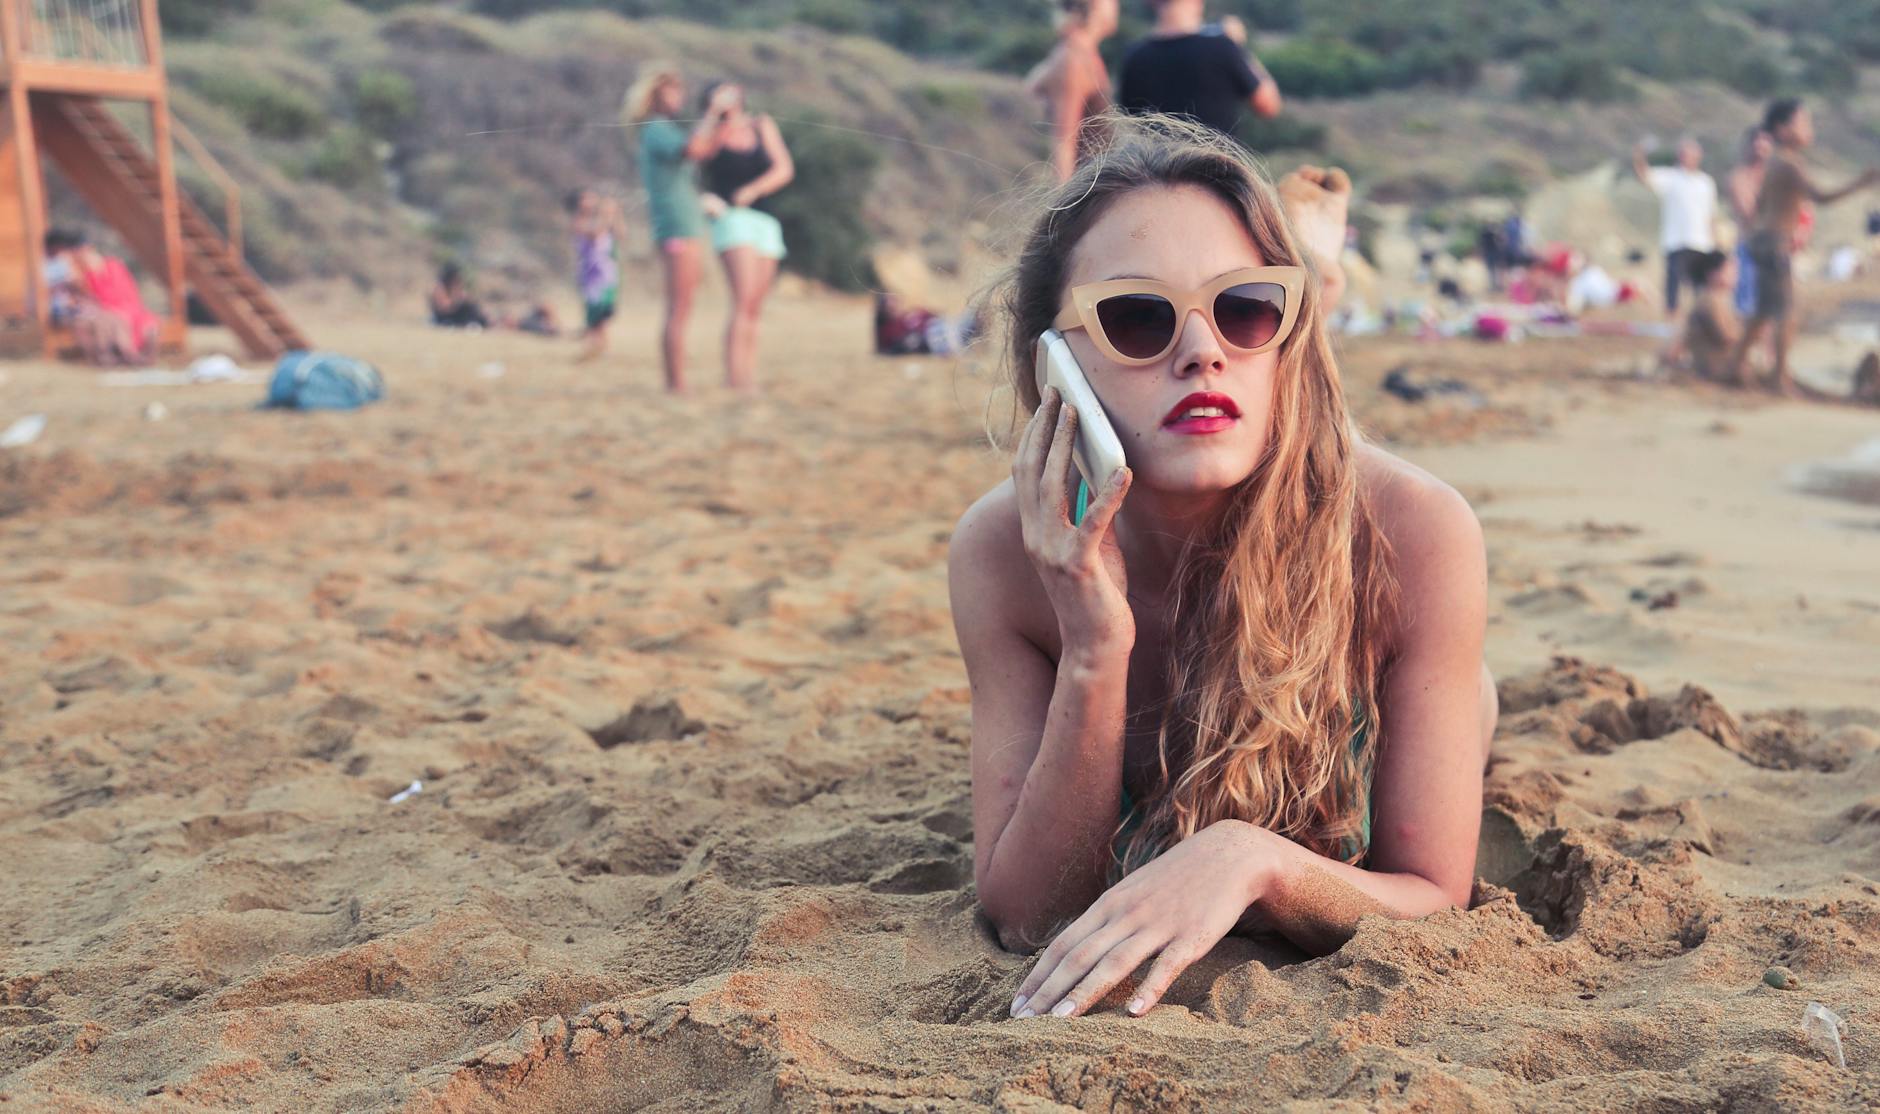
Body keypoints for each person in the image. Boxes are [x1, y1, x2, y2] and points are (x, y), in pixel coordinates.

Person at [949, 116, 1494, 1019]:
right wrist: (1093, 644)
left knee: (1466, 707)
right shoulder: (1002, 554)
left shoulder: (1415, 533)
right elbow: (1024, 914)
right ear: (1056, 365)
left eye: (1246, 307)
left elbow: (1437, 892)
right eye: (1135, 317)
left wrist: (1254, 859)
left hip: (1390, 686)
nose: (1202, 351)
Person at [1723, 99, 1880, 396]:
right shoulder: (1788, 162)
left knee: (1763, 312)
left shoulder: (1775, 162)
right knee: (1786, 312)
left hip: (1765, 240)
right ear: (1782, 129)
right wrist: (1861, 183)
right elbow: (1820, 197)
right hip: (1774, 243)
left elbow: (1760, 206)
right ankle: (1778, 376)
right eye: (1803, 123)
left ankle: (1735, 365)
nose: (1809, 129)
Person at [694, 82, 794, 393]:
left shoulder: (761, 124)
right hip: (732, 220)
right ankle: (734, 378)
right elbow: (695, 153)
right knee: (742, 300)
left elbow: (784, 169)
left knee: (755, 305)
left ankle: (747, 376)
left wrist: (753, 190)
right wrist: (713, 115)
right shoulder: (712, 133)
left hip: (765, 219)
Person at [625, 62, 709, 393]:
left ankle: (677, 380)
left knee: (682, 306)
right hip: (676, 227)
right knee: (679, 307)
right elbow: (695, 149)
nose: (680, 96)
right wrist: (714, 114)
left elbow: (699, 149)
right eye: (673, 90)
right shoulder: (657, 127)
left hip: (682, 225)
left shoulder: (661, 129)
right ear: (656, 94)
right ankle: (676, 383)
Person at [1116, 0, 1282, 145]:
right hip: (1218, 172)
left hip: (1158, 173)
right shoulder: (1222, 48)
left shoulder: (1134, 56)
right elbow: (1268, 105)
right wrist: (1239, 47)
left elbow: (1130, 119)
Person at [1024, 0, 1119, 183]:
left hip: (1094, 182)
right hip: (1082, 186)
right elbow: (1063, 144)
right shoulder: (1073, 60)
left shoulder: (1084, 53)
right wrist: (1065, 206)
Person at [1631, 137, 1718, 321]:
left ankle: (1700, 324)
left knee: (1700, 289)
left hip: (1701, 243)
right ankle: (1671, 324)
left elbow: (1710, 214)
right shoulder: (1670, 177)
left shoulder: (1706, 182)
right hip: (1676, 241)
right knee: (1673, 289)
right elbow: (1644, 175)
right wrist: (1639, 153)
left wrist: (1714, 241)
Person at [43, 228, 156, 366]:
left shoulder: (105, 266)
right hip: (67, 309)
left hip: (88, 308)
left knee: (111, 318)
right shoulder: (55, 265)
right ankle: (113, 354)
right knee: (96, 321)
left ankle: (126, 354)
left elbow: (83, 291)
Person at [567, 188, 624, 363]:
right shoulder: (579, 222)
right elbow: (594, 234)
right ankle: (591, 348)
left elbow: (621, 233)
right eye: (586, 199)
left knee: (604, 315)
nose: (591, 201)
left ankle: (601, 348)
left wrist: (616, 213)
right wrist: (608, 216)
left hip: (608, 276)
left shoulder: (602, 222)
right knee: (593, 315)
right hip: (591, 277)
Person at [1728, 128, 1773, 316]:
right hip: (1750, 249)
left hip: (1774, 249)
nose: (1760, 145)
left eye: (1765, 140)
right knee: (1746, 311)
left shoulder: (1776, 174)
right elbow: (1750, 214)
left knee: (1772, 310)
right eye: (1756, 141)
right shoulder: (1739, 177)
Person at [428, 262, 490, 329]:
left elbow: (466, 297)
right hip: (445, 317)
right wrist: (458, 300)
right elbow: (445, 307)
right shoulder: (440, 288)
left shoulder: (455, 287)